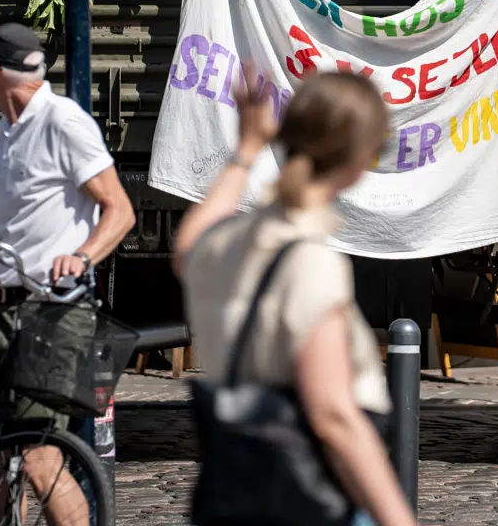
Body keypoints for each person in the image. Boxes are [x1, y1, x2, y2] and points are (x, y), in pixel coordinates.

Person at [173, 72, 416, 526]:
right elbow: (333, 417)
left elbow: (187, 243)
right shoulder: (312, 263)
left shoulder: (225, 247)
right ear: (360, 161)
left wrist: (246, 151)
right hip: (310, 497)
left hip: (230, 494)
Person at [0, 23, 135, 525]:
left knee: (39, 458)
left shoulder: (63, 122)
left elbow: (120, 211)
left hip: (54, 313)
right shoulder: (8, 128)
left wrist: (82, 256)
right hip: (3, 309)